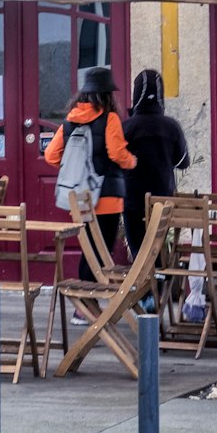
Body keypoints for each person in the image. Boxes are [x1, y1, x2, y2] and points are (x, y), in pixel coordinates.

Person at [43, 66, 136, 310]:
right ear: (108, 95)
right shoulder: (110, 118)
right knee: (101, 249)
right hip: (107, 196)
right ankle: (87, 303)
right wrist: (132, 161)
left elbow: (51, 156)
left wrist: (76, 166)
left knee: (89, 248)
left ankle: (83, 305)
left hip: (81, 198)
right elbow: (116, 153)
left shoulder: (71, 120)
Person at [122, 68, 189, 255]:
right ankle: (160, 280)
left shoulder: (126, 127)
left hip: (132, 198)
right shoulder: (172, 126)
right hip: (163, 198)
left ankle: (143, 282)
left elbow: (116, 160)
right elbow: (183, 162)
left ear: (136, 96)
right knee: (157, 251)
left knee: (139, 252)